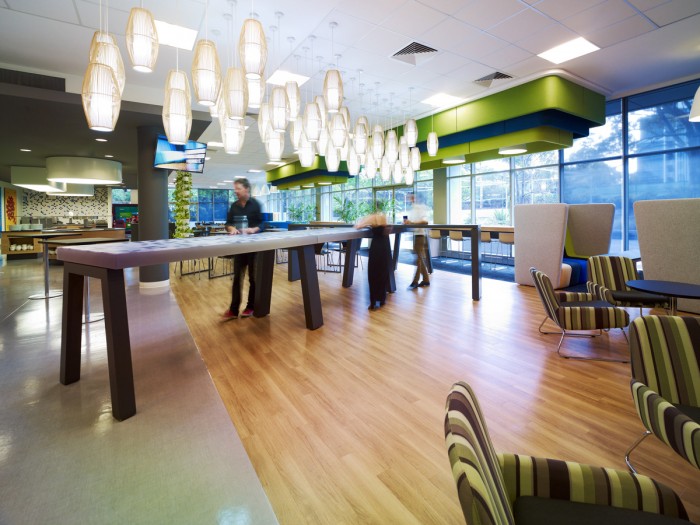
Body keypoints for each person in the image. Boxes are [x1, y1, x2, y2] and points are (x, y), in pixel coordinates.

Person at [222, 178, 264, 320]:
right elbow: (228, 223)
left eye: (238, 188)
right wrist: (231, 228)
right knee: (237, 279)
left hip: (253, 247)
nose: (236, 191)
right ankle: (233, 310)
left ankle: (251, 307)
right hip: (239, 247)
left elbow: (262, 224)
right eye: (235, 188)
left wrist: (254, 229)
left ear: (246, 189)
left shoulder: (256, 205)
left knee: (253, 279)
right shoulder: (234, 206)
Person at [355, 204, 392, 311]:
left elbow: (358, 226)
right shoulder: (384, 217)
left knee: (373, 273)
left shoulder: (372, 217)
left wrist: (367, 224)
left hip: (376, 246)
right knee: (383, 273)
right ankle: (382, 299)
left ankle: (373, 302)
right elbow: (388, 229)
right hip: (385, 246)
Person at [404, 193, 431, 288]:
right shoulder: (413, 209)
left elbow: (425, 221)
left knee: (419, 259)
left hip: (420, 235)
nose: (409, 199)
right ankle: (426, 280)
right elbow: (413, 222)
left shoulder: (420, 208)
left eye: (411, 197)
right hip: (416, 234)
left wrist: (412, 222)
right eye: (409, 197)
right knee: (419, 258)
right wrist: (408, 222)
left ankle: (415, 281)